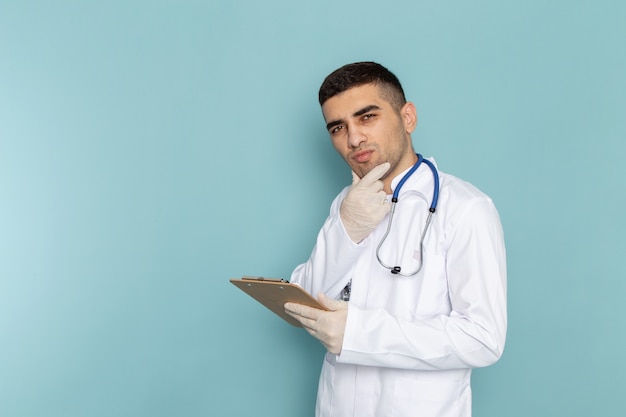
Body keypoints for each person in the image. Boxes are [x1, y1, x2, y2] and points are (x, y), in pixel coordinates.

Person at [284, 62, 507, 417]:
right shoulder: (346, 204)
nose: (353, 138)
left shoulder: (466, 208)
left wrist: (359, 334)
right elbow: (309, 302)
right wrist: (345, 229)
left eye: (367, 117)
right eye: (338, 127)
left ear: (408, 118)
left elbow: (483, 338)